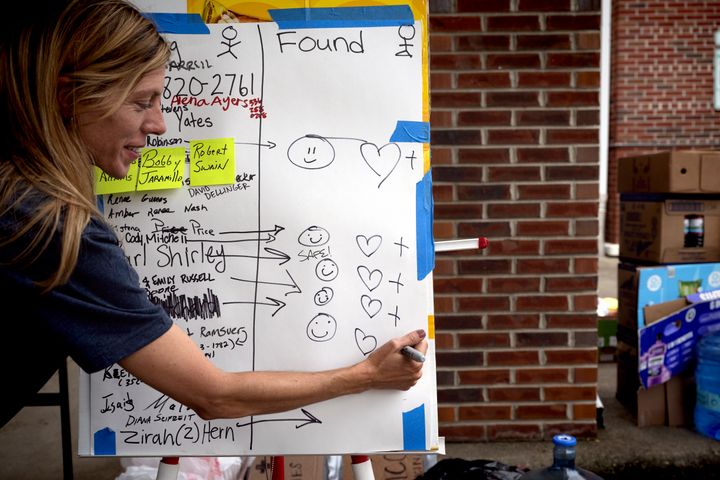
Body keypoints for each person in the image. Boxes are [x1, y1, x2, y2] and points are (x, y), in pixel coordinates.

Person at [0, 0, 427, 428]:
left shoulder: (18, 191)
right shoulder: (49, 224)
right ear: (67, 97)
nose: (159, 124)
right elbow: (214, 395)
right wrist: (366, 375)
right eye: (141, 102)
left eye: (159, 101)